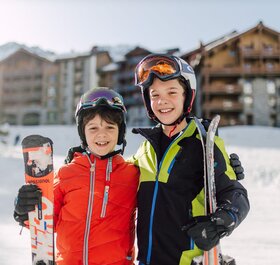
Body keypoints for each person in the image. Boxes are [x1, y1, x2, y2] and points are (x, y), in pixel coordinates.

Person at [130, 53, 250, 265]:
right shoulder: (145, 147)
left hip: (187, 260)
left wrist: (222, 220)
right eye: (154, 94)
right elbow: (119, 179)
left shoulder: (203, 144)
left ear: (187, 96)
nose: (162, 100)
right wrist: (89, 156)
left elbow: (235, 194)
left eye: (172, 92)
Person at [14, 88, 139, 265]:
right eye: (93, 128)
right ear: (83, 133)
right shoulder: (67, 174)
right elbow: (46, 220)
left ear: (120, 132)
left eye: (110, 127)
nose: (101, 134)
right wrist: (24, 211)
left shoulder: (132, 174)